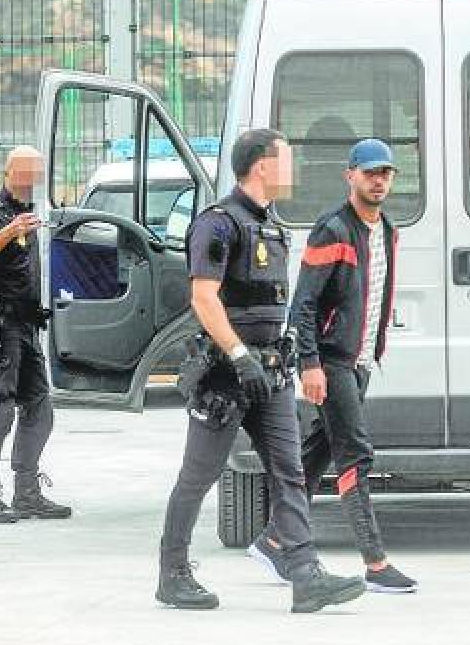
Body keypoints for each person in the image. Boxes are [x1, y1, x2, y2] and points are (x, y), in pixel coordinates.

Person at [155, 129, 365, 613]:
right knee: (199, 475)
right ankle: (173, 572)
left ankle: (305, 575)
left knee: (290, 473)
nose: (291, 169)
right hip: (227, 375)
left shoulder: (270, 226)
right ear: (262, 166)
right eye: (286, 160)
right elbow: (203, 298)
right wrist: (237, 355)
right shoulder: (218, 223)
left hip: (270, 373)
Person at [289, 138, 417, 593]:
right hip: (332, 361)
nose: (378, 180)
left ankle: (276, 540)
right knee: (355, 455)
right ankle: (375, 562)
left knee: (316, 454)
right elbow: (302, 304)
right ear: (351, 177)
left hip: (360, 361)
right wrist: (310, 364)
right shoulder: (333, 230)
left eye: (385, 173)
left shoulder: (386, 230)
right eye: (369, 173)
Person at [0, 146, 71, 524]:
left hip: (25, 325)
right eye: (23, 170)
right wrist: (10, 232)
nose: (30, 177)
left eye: (36, 171)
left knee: (40, 407)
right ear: (8, 171)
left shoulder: (35, 213)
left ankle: (26, 492)